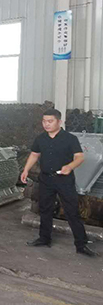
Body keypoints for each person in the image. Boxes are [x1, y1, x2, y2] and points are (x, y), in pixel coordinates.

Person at [21, 108, 98, 257]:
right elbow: (34, 154)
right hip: (46, 179)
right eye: (44, 121)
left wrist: (69, 166)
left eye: (50, 121)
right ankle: (44, 238)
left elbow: (80, 157)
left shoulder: (70, 139)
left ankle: (81, 244)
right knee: (45, 209)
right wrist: (25, 170)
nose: (46, 124)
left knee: (72, 211)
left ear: (59, 122)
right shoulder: (40, 139)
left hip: (64, 180)